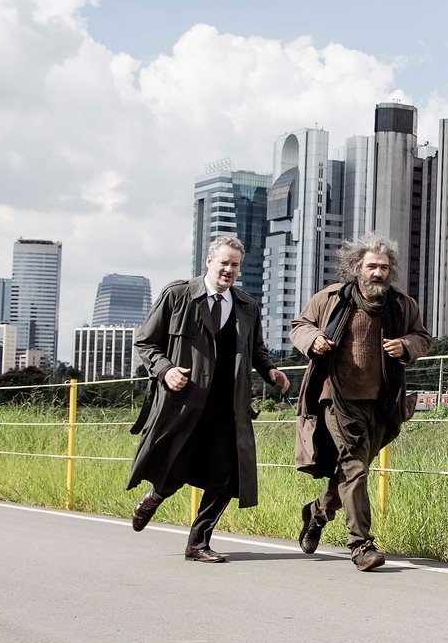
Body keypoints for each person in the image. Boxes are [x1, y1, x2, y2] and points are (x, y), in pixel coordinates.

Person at [127, 235, 290, 562]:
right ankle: (155, 496)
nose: (229, 270)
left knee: (227, 475)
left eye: (235, 265)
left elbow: (256, 350)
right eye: (224, 263)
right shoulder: (178, 296)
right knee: (175, 466)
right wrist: (166, 370)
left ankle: (198, 543)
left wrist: (271, 371)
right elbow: (145, 342)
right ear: (209, 261)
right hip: (183, 403)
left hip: (229, 407)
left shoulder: (247, 306)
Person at [291, 233, 431, 571]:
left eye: (384, 267)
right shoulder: (330, 298)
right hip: (337, 399)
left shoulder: (402, 305)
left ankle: (317, 513)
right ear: (357, 268)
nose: (378, 273)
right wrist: (315, 339)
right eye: (372, 266)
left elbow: (423, 337)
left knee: (353, 471)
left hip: (382, 402)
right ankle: (361, 545)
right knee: (354, 467)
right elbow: (300, 326)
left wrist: (406, 345)